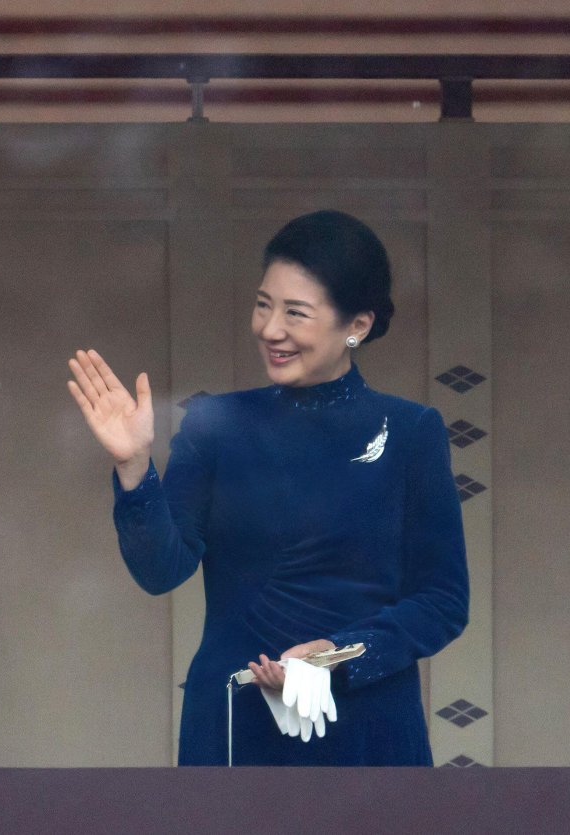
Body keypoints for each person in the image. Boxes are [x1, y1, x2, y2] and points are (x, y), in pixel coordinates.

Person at [67, 210, 468, 766]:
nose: (269, 329)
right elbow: (161, 571)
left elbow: (443, 602)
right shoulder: (215, 424)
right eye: (263, 304)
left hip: (368, 728)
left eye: (295, 313)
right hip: (237, 723)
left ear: (357, 324)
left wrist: (338, 655)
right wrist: (135, 468)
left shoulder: (409, 431)